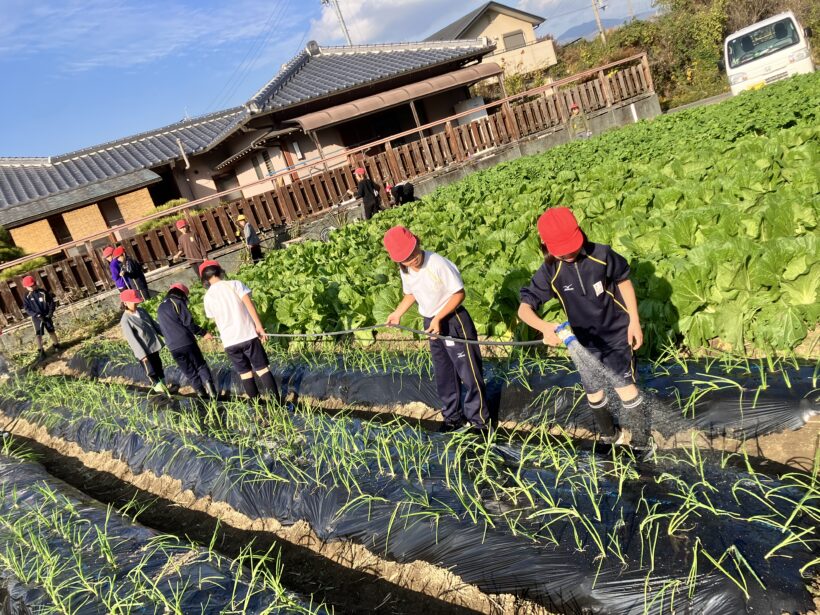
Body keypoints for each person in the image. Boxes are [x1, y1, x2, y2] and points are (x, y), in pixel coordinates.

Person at [517, 207, 651, 454]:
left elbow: (623, 281)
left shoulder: (602, 255)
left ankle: (643, 442)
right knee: (594, 393)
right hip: (584, 342)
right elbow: (524, 309)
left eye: (572, 246)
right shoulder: (550, 271)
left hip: (615, 334)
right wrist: (545, 327)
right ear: (545, 244)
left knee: (625, 388)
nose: (568, 253)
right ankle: (612, 436)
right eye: (561, 249)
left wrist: (634, 320)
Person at [383, 226, 489, 434]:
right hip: (431, 322)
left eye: (414, 252)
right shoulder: (405, 270)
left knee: (469, 372)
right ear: (398, 261)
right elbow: (411, 293)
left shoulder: (437, 263)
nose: (413, 259)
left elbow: (459, 294)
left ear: (418, 242)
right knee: (444, 372)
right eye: (406, 258)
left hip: (453, 319)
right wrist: (397, 313)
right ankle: (453, 417)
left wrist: (439, 317)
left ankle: (479, 423)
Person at [199, 260, 280, 402]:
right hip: (247, 335)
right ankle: (277, 405)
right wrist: (259, 326)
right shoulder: (234, 284)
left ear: (205, 278)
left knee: (245, 374)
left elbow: (213, 318)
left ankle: (258, 407)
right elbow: (249, 305)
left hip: (230, 342)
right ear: (219, 271)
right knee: (262, 369)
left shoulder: (207, 297)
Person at [157, 283, 218, 399]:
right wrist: (203, 333)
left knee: (189, 371)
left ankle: (202, 395)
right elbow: (189, 324)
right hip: (186, 341)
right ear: (181, 294)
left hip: (172, 347)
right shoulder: (177, 303)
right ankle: (213, 393)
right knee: (200, 365)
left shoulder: (160, 307)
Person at [119, 289, 169, 396]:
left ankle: (164, 386)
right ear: (125, 303)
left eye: (137, 302)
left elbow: (154, 324)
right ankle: (160, 391)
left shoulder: (141, 311)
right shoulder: (126, 320)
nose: (136, 304)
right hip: (144, 351)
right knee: (151, 371)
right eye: (133, 302)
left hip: (153, 345)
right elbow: (132, 339)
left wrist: (167, 334)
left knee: (158, 365)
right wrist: (142, 355)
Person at [22, 275, 60, 360]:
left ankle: (56, 345)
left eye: (32, 285)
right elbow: (27, 309)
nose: (31, 287)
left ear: (35, 284)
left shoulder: (43, 292)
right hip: (37, 318)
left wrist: (50, 313)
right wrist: (36, 315)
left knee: (51, 331)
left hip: (46, 316)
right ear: (26, 287)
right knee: (38, 335)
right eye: (29, 287)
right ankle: (41, 351)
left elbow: (51, 303)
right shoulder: (26, 296)